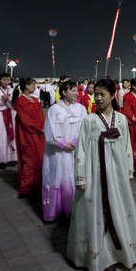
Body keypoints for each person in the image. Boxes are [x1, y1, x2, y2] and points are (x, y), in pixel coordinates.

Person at [67, 78, 136, 271]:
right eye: (96, 94)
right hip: (95, 174)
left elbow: (126, 146)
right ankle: (100, 258)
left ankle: (121, 252)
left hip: (116, 175)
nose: (98, 98)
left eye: (103, 94)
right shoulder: (88, 120)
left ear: (113, 96)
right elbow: (82, 151)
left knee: (118, 209)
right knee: (96, 213)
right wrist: (81, 177)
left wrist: (128, 171)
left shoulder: (121, 119)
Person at [42, 81, 87, 222]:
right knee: (56, 177)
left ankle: (73, 211)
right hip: (57, 152)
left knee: (73, 177)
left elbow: (83, 127)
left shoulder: (81, 109)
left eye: (76, 90)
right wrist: (62, 143)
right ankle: (54, 212)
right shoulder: (54, 109)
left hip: (75, 149)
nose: (76, 93)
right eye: (72, 90)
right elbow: (50, 130)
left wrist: (74, 141)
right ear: (63, 92)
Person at [12, 78, 45, 198]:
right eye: (33, 84)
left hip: (38, 132)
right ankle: (26, 188)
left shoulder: (34, 99)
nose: (35, 87)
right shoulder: (21, 101)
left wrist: (42, 126)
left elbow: (41, 115)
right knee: (30, 160)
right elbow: (26, 121)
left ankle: (37, 185)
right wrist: (40, 127)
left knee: (39, 158)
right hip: (27, 134)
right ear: (27, 86)